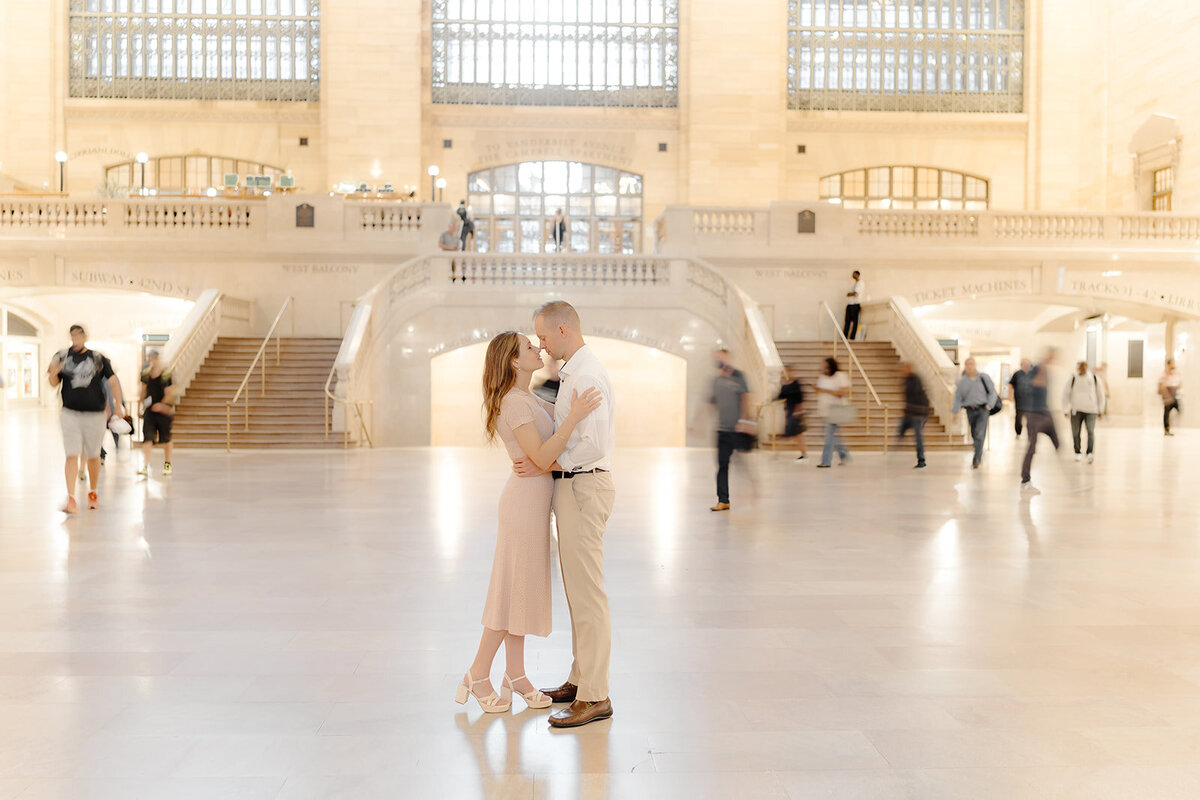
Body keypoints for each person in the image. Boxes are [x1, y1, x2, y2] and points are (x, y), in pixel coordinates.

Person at [456, 332, 601, 715]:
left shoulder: (528, 397)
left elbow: (540, 459)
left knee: (518, 591)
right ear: (513, 362)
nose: (538, 349)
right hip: (522, 506)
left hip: (533, 503)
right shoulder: (514, 404)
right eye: (529, 347)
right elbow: (538, 454)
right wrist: (572, 419)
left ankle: (515, 675)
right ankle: (477, 674)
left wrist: (545, 461)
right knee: (509, 592)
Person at [514, 300, 616, 728]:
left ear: (561, 331)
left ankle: (596, 695)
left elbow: (590, 446)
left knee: (588, 594)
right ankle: (580, 680)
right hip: (573, 487)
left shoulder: (586, 375)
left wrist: (546, 462)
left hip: (582, 485)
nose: (539, 344)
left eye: (542, 336)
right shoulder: (573, 371)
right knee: (578, 591)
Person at [47, 324, 124, 513]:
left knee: (93, 455)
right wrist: (54, 372)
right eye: (73, 335)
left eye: (79, 335)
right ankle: (71, 498)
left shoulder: (98, 358)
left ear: (85, 337)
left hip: (95, 414)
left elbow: (113, 381)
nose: (76, 339)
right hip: (70, 413)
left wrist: (119, 405)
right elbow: (52, 382)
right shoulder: (62, 356)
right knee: (71, 454)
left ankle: (93, 493)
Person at [708, 349, 752, 511]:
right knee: (722, 464)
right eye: (717, 359)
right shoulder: (716, 380)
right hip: (722, 430)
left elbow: (746, 399)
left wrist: (745, 421)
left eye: (722, 358)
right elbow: (712, 402)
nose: (720, 361)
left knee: (741, 462)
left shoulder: (739, 377)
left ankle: (751, 488)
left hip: (737, 428)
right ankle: (723, 500)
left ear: (728, 358)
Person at [1021, 349, 1060, 493]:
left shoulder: (1047, 372)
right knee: (1031, 447)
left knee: (1058, 443)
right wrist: (1038, 377)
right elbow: (1028, 386)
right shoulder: (1035, 371)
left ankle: (1068, 475)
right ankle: (1025, 478)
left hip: (1046, 412)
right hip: (1033, 414)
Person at [952, 357, 998, 470]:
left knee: (979, 433)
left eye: (971, 364)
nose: (969, 366)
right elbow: (957, 396)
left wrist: (989, 405)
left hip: (983, 409)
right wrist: (955, 412)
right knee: (974, 433)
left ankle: (976, 459)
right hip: (970, 410)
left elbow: (992, 392)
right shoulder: (962, 381)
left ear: (975, 365)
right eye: (967, 364)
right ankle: (978, 450)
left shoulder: (984, 377)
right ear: (965, 366)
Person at [138, 350, 177, 476]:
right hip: (150, 410)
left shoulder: (166, 374)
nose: (152, 360)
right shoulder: (146, 374)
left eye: (154, 358)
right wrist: (141, 407)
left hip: (164, 411)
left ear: (157, 358)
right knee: (148, 438)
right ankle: (145, 465)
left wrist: (162, 404)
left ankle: (167, 464)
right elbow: (143, 390)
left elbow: (170, 392)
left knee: (166, 439)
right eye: (150, 358)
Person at [1063, 360, 1105, 463]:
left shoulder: (1094, 378)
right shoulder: (1072, 378)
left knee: (1090, 431)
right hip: (1076, 410)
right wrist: (1065, 408)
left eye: (1084, 366)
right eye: (1080, 367)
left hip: (1091, 410)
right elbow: (1066, 393)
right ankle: (1077, 452)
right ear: (1077, 368)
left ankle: (1090, 453)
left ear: (1086, 367)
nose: (1082, 368)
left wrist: (1101, 409)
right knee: (1076, 432)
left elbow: (1101, 394)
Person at [814, 356, 851, 468]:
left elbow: (842, 392)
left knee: (829, 436)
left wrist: (825, 391)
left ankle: (826, 461)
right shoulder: (822, 378)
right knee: (834, 436)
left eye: (825, 367)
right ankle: (844, 455)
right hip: (824, 410)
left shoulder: (840, 376)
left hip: (836, 410)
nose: (823, 369)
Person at [897, 362, 929, 469]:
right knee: (900, 430)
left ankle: (921, 460)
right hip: (910, 413)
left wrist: (923, 414)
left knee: (918, 437)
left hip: (917, 414)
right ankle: (897, 450)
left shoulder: (915, 380)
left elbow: (918, 397)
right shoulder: (907, 380)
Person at [777, 368, 808, 461]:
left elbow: (801, 398)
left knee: (794, 434)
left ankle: (777, 453)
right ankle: (804, 454)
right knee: (796, 434)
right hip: (789, 412)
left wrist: (799, 411)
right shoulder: (785, 385)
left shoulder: (796, 384)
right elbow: (780, 396)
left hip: (795, 413)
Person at [1009, 358, 1033, 437]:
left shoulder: (1032, 374)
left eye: (1028, 364)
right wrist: (1010, 396)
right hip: (1019, 401)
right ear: (1021, 365)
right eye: (1025, 364)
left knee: (1030, 418)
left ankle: (1031, 433)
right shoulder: (1017, 374)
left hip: (1030, 401)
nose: (1027, 366)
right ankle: (1018, 433)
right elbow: (1011, 385)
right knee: (1019, 418)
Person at [1160, 359, 1182, 435]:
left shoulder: (1174, 373)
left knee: (1179, 410)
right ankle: (1167, 429)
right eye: (1172, 363)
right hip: (1168, 396)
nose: (1174, 365)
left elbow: (1178, 383)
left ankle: (1170, 425)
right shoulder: (1164, 374)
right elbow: (1162, 386)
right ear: (1168, 364)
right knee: (1166, 413)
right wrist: (1166, 396)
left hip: (1174, 396)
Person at [842, 270, 864, 340]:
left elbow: (855, 293)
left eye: (854, 274)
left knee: (855, 322)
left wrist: (849, 294)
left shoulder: (860, 283)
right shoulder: (854, 284)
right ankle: (844, 336)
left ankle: (852, 337)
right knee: (847, 321)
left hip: (855, 304)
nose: (852, 275)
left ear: (857, 275)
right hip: (850, 304)